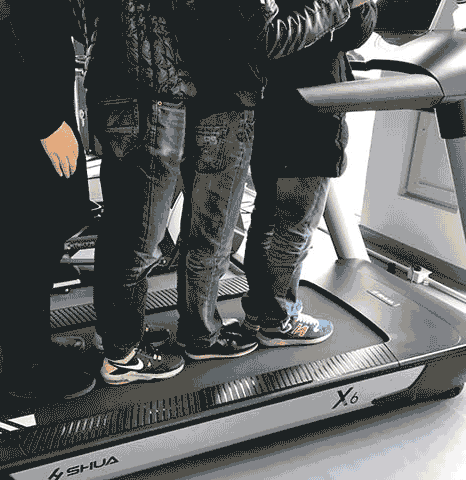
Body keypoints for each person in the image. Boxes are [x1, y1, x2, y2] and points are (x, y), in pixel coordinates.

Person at [80, 0, 356, 385]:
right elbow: (265, 37)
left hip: (148, 86)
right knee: (160, 237)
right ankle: (149, 346)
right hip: (171, 92)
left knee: (131, 229)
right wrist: (337, 6)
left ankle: (118, 334)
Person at [0, 1, 96, 399]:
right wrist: (46, 120)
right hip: (20, 113)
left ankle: (35, 348)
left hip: (29, 104)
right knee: (27, 236)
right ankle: (27, 370)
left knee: (44, 235)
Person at [239, 0, 379, 346]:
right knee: (293, 228)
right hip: (311, 113)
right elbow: (352, 36)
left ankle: (259, 311)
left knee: (267, 218)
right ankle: (278, 320)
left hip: (269, 108)